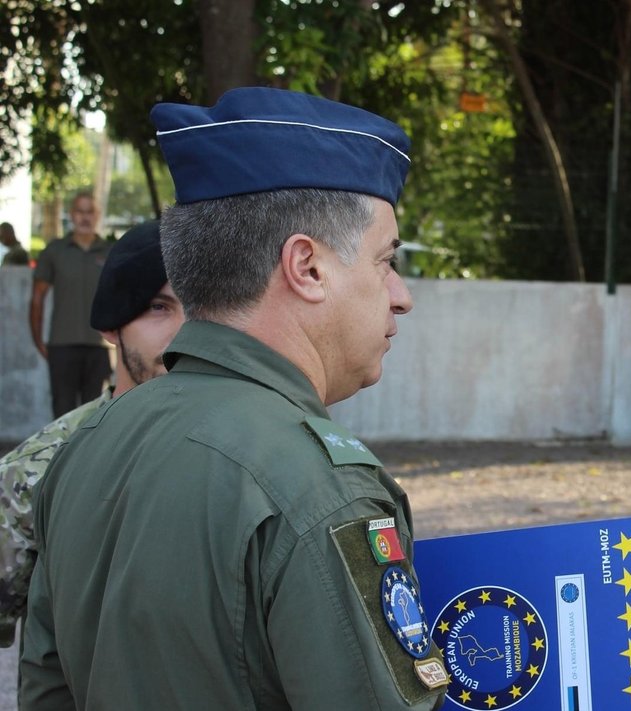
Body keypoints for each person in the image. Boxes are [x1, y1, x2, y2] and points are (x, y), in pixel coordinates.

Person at [20, 88, 448, 710]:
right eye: (386, 261)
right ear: (307, 267)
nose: (401, 293)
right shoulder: (316, 487)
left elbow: (45, 693)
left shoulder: (87, 445)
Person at [0, 220, 181, 649]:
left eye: (202, 309)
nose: (185, 333)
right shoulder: (38, 469)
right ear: (110, 327)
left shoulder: (251, 449)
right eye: (159, 307)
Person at [28, 192, 113, 416]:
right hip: (62, 345)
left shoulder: (111, 252)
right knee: (62, 412)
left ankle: (92, 454)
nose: (85, 217)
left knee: (97, 414)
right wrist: (38, 340)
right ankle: (63, 454)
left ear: (97, 215)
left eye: (90, 212)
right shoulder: (54, 251)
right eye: (79, 211)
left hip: (100, 346)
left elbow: (121, 298)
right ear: (71, 214)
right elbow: (37, 297)